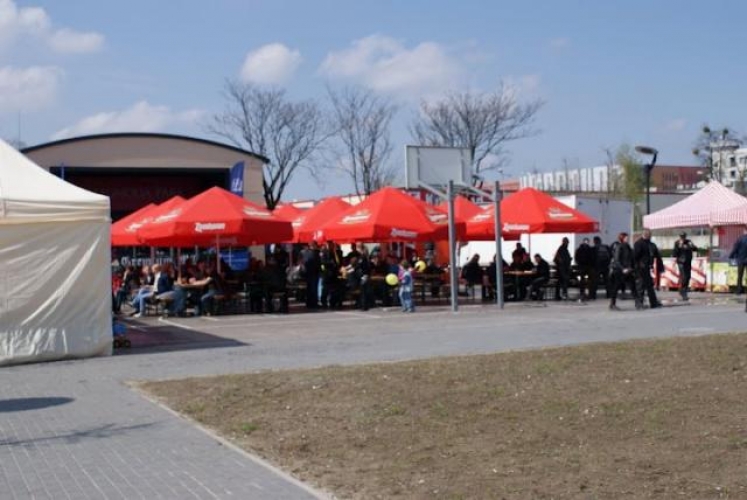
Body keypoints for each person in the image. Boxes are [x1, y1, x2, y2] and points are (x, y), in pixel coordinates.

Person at [633, 229, 662, 310]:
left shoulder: (651, 244)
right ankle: (639, 303)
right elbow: (635, 256)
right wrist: (637, 266)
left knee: (649, 286)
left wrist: (660, 266)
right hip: (640, 268)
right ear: (643, 234)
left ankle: (653, 302)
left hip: (647, 267)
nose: (648, 235)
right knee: (640, 286)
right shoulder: (639, 244)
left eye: (649, 234)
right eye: (647, 234)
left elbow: (657, 255)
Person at [608, 232, 638, 310]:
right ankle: (612, 304)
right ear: (622, 238)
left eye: (627, 237)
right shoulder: (619, 247)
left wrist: (632, 268)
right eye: (626, 237)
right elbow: (617, 260)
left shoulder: (628, 247)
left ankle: (638, 303)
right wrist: (622, 269)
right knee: (616, 287)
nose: (627, 238)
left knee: (633, 286)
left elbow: (631, 258)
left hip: (628, 270)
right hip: (619, 271)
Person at [672, 231, 698, 301]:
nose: (682, 238)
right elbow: (674, 253)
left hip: (688, 261)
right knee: (684, 276)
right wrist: (679, 247)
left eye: (684, 236)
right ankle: (683, 291)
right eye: (681, 236)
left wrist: (691, 246)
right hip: (681, 262)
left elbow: (695, 249)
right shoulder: (677, 243)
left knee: (688, 276)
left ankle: (684, 289)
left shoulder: (688, 242)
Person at [729, 226, 747, 294]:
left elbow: (735, 248)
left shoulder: (740, 239)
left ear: (744, 231)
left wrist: (731, 256)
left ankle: (739, 290)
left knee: (740, 276)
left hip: (741, 260)